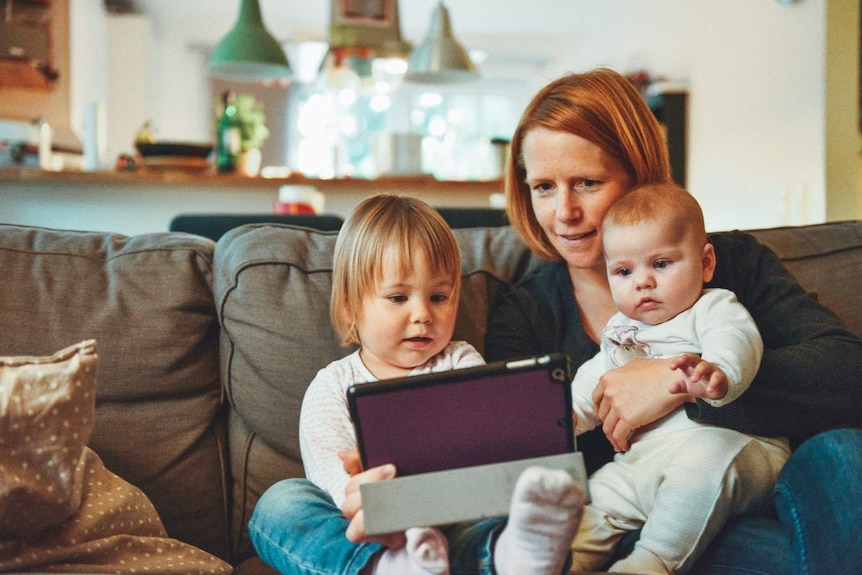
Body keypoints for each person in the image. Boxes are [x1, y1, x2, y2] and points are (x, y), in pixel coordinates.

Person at [486, 68, 862, 572]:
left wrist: (677, 380)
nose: (564, 212)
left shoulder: (730, 265)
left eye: (587, 183)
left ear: (638, 174)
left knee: (843, 452)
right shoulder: (526, 313)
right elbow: (522, 456)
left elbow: (846, 373)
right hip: (623, 522)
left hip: (753, 491)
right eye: (544, 188)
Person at [249, 193, 584, 575]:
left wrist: (535, 425)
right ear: (349, 306)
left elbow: (487, 448)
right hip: (372, 529)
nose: (423, 314)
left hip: (455, 520)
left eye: (439, 296)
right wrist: (384, 505)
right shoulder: (331, 386)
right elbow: (332, 482)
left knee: (511, 514)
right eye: (398, 297)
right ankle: (387, 567)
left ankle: (513, 556)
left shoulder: (461, 362)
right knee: (280, 503)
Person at [566, 182, 790, 574]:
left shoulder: (712, 306)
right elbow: (595, 379)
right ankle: (561, 561)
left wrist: (718, 371)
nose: (643, 282)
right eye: (623, 270)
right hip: (643, 463)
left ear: (705, 263)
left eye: (661, 264)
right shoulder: (621, 329)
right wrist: (565, 416)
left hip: (732, 450)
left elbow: (736, 339)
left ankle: (651, 562)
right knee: (596, 496)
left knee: (699, 466)